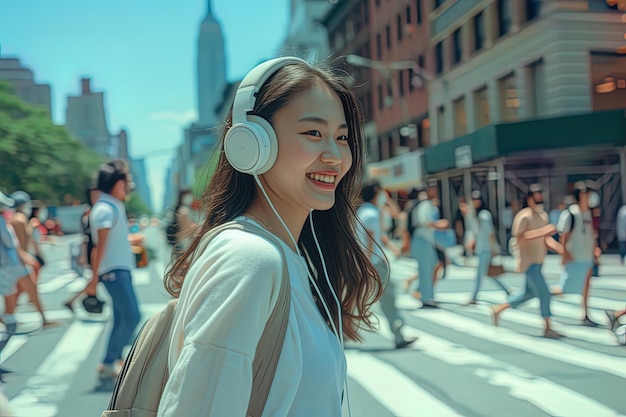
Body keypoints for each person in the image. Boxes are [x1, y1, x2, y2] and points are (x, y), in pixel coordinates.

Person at [157, 57, 383, 416]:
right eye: (313, 133)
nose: (336, 155)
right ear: (252, 143)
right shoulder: (249, 258)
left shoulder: (293, 256)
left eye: (342, 137)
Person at [84, 160, 141, 380]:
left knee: (121, 318)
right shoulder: (105, 208)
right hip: (113, 272)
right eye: (127, 181)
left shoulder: (113, 205)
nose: (130, 185)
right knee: (133, 316)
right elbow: (99, 246)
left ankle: (110, 360)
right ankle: (112, 359)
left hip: (119, 270)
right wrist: (93, 279)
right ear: (117, 183)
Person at [492, 184, 565, 339]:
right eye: (536, 195)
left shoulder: (542, 215)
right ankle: (547, 327)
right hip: (528, 262)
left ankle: (499, 309)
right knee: (544, 293)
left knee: (528, 294)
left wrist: (560, 249)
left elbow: (546, 239)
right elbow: (520, 237)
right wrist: (543, 232)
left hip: (539, 260)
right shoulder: (524, 216)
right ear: (529, 198)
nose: (539, 198)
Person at [357, 181, 417, 349]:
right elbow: (370, 240)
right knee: (388, 297)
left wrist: (390, 247)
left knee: (357, 298)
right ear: (375, 194)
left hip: (369, 261)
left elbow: (378, 236)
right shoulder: (372, 213)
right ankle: (398, 333)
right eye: (381, 193)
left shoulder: (365, 211)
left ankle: (338, 330)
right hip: (374, 262)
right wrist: (368, 263)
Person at [553, 181, 601, 327]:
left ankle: (585, 313)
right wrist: (564, 255)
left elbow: (591, 235)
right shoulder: (571, 214)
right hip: (574, 257)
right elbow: (564, 237)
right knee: (564, 288)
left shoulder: (588, 213)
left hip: (586, 256)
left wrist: (595, 250)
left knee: (586, 286)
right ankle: (540, 293)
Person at [407, 186, 449, 308]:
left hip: (423, 240)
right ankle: (427, 298)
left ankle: (424, 293)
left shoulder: (420, 204)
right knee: (426, 269)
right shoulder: (425, 204)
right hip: (423, 240)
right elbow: (425, 221)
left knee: (430, 266)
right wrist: (440, 224)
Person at [465, 190, 509, 305]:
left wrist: (494, 247)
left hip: (486, 248)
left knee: (480, 274)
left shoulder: (483, 215)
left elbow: (490, 233)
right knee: (488, 273)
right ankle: (506, 289)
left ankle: (474, 297)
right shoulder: (478, 214)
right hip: (482, 248)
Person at [64, 187, 100, 312]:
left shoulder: (95, 211)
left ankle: (84, 300)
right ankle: (73, 300)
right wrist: (83, 255)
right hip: (92, 250)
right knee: (96, 278)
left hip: (95, 249)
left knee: (96, 279)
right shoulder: (89, 213)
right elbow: (85, 237)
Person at [10, 191, 45, 284]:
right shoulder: (21, 218)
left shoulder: (13, 218)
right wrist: (32, 225)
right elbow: (27, 235)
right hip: (22, 256)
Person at [166, 189, 197, 254]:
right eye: (187, 196)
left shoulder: (181, 209)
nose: (189, 198)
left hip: (181, 240)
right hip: (186, 240)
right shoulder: (184, 210)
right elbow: (187, 228)